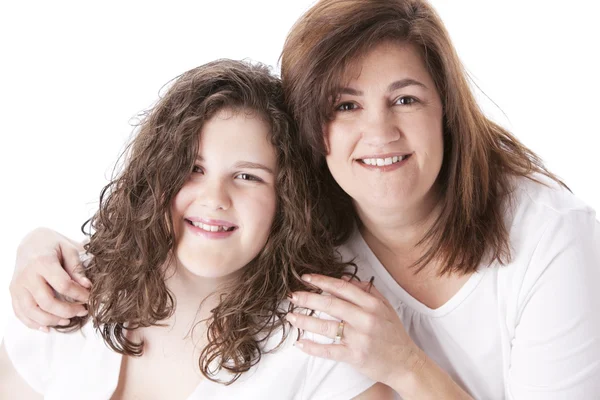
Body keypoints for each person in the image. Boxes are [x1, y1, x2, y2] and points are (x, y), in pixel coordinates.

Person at [8, 0, 600, 399]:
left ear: (447, 110)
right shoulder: (316, 226)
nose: (379, 133)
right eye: (345, 105)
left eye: (407, 99)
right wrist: (36, 247)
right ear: (313, 131)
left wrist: (406, 366)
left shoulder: (550, 238)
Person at [0, 59, 390, 399]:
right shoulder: (63, 289)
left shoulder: (325, 345)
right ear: (156, 176)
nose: (215, 197)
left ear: (286, 201)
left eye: (247, 176)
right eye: (194, 169)